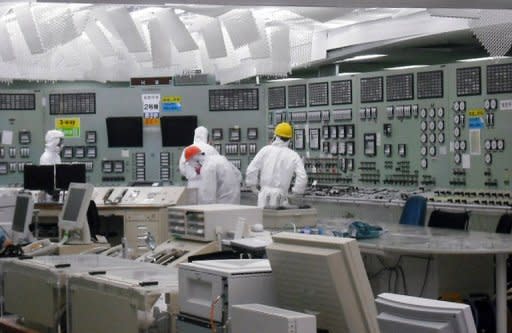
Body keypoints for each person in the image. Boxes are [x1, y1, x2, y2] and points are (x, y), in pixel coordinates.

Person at [245, 122, 308, 208]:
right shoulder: (293, 155)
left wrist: (254, 188)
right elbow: (302, 176)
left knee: (263, 219)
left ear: (275, 136)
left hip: (264, 196)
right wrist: (295, 193)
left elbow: (251, 169)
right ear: (290, 138)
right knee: (279, 220)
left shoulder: (265, 150)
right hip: (281, 196)